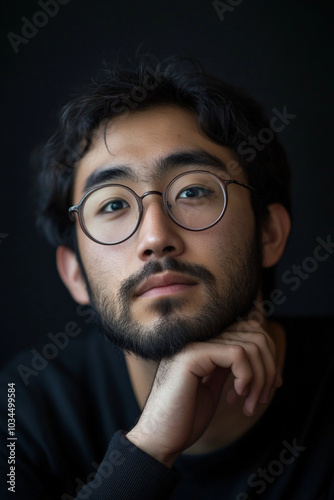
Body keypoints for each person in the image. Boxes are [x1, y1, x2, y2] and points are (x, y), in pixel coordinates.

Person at [0, 55, 333, 500]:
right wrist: (148, 452)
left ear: (269, 234)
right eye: (113, 205)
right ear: (75, 273)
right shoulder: (22, 404)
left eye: (193, 190)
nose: (156, 237)